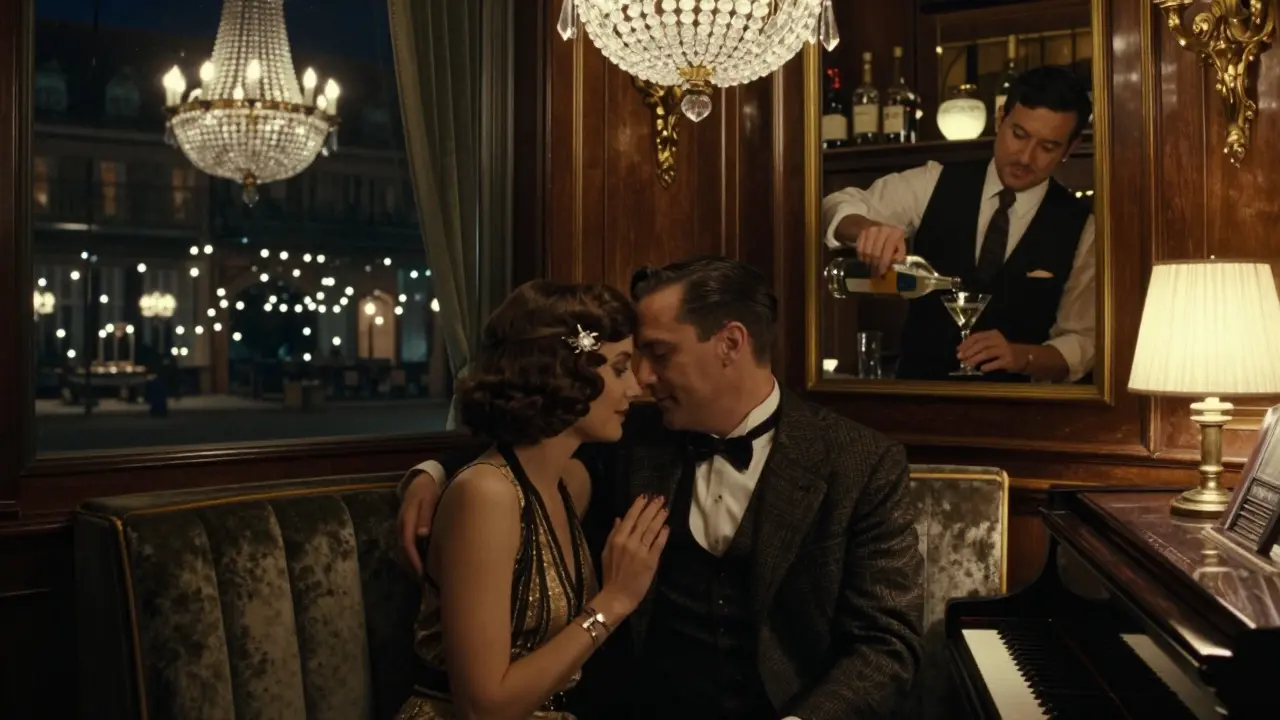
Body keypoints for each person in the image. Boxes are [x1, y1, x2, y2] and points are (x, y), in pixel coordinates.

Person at [400, 257, 924, 720]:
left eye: (659, 354)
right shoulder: (632, 438)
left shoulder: (860, 464)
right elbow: (527, 444)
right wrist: (435, 472)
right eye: (630, 363)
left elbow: (886, 646)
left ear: (730, 343)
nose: (644, 379)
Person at [393, 280, 668, 720]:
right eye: (620, 368)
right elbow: (481, 708)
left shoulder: (568, 482)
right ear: (566, 373)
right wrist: (613, 602)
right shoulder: (487, 496)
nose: (636, 388)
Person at [822, 65, 1096, 383]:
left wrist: (1023, 356)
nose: (1025, 156)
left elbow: (1082, 342)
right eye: (1018, 135)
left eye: (1047, 147)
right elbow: (836, 206)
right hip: (914, 403)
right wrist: (866, 229)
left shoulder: (1081, 227)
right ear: (1000, 120)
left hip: (1020, 416)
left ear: (1070, 149)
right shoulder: (934, 182)